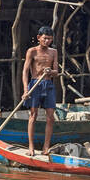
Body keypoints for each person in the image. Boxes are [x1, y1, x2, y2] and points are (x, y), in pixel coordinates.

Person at [22, 26, 60, 156]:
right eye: (45, 38)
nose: (47, 41)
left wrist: (50, 71)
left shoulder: (53, 52)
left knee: (50, 117)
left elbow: (56, 72)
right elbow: (25, 71)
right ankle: (31, 147)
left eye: (49, 39)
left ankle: (46, 147)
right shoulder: (32, 51)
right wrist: (25, 90)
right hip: (35, 84)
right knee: (33, 115)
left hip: (48, 84)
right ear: (39, 38)